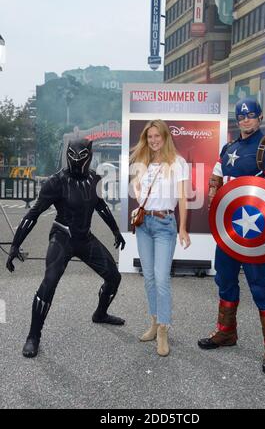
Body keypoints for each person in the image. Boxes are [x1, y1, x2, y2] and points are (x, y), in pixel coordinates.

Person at [6, 138, 126, 358]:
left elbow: (101, 207)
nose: (76, 160)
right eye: (73, 155)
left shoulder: (94, 179)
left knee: (114, 277)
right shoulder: (56, 181)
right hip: (62, 236)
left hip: (84, 237)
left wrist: (116, 231)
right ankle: (33, 336)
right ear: (67, 154)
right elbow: (33, 215)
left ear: (89, 155)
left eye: (81, 156)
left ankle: (100, 313)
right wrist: (15, 245)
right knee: (49, 282)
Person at [198, 98, 265, 374]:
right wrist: (215, 192)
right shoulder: (229, 149)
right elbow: (217, 176)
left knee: (259, 286)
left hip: (255, 234)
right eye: (241, 117)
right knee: (224, 280)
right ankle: (226, 332)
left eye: (250, 116)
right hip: (229, 232)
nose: (245, 120)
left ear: (260, 118)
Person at [130, 119, 191, 357]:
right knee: (148, 278)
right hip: (144, 225)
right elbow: (137, 188)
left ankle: (164, 329)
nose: (154, 140)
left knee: (161, 277)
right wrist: (140, 199)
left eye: (157, 136)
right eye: (150, 137)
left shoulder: (178, 163)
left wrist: (183, 228)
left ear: (166, 137)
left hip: (166, 224)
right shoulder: (142, 162)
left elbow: (184, 198)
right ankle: (154, 323)